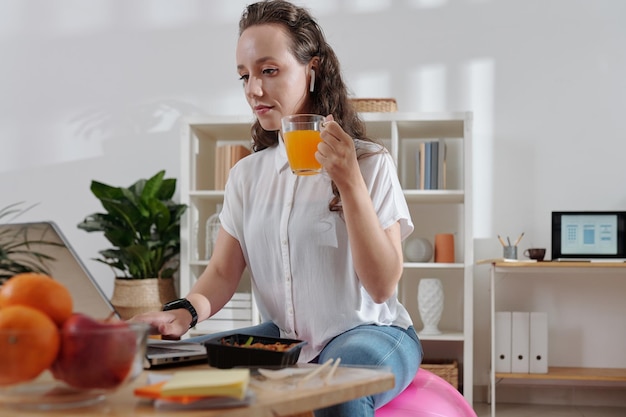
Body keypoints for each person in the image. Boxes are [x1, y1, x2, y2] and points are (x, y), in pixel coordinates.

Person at [132, 1, 422, 415]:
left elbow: (382, 286)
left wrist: (349, 182)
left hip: (369, 330)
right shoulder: (246, 176)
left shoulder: (369, 162)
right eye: (244, 76)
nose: (253, 90)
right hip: (286, 338)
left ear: (312, 69)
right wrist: (184, 313)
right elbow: (221, 272)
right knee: (172, 364)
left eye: (269, 71)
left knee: (339, 392)